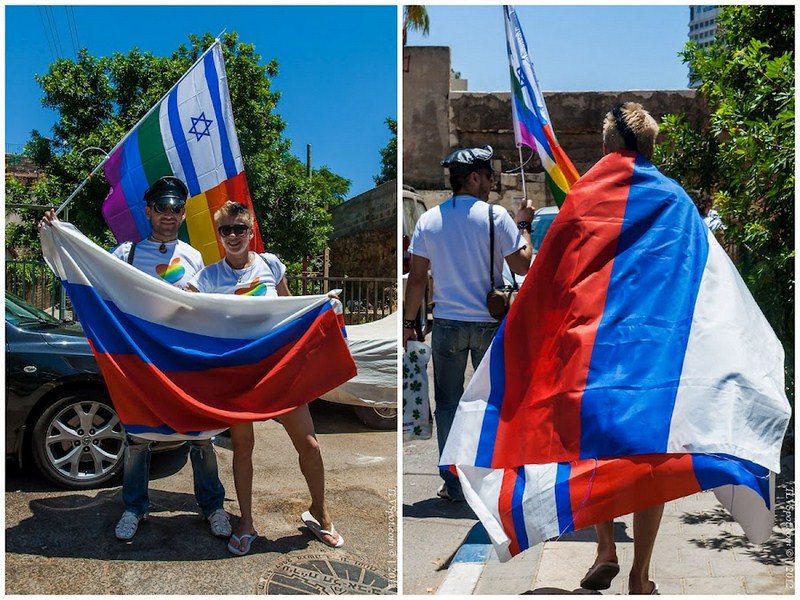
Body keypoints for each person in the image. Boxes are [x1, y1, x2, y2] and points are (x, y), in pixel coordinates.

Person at [39, 176, 232, 542]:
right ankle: (134, 507)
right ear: (148, 211)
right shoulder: (126, 254)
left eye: (176, 208)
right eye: (161, 207)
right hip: (141, 361)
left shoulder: (194, 256)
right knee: (139, 437)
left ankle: (212, 506)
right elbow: (88, 269)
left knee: (201, 437)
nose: (169, 214)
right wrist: (57, 233)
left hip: (183, 361)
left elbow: (207, 307)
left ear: (183, 213)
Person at [187, 200, 343, 556]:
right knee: (243, 448)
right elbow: (180, 308)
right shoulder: (207, 277)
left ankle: (320, 512)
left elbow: (291, 309)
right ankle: (246, 523)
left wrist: (321, 304)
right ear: (219, 234)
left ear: (251, 230)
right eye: (226, 230)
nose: (233, 236)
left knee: (310, 445)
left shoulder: (271, 264)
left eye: (240, 228)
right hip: (238, 374)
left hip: (279, 370)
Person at [402, 145, 534, 501]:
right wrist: (524, 225)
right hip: (490, 322)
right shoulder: (496, 217)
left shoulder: (429, 220)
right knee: (491, 402)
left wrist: (409, 324)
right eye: (489, 176)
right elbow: (522, 265)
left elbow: (417, 279)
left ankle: (454, 483)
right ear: (474, 177)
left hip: (447, 324)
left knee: (448, 403)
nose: (491, 183)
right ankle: (489, 478)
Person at [578, 103, 665, 596]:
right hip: (654, 351)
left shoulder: (586, 195)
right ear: (652, 148)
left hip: (596, 347)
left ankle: (606, 548)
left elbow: (560, 272)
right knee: (651, 462)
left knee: (597, 452)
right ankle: (640, 575)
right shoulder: (672, 200)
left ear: (606, 146)